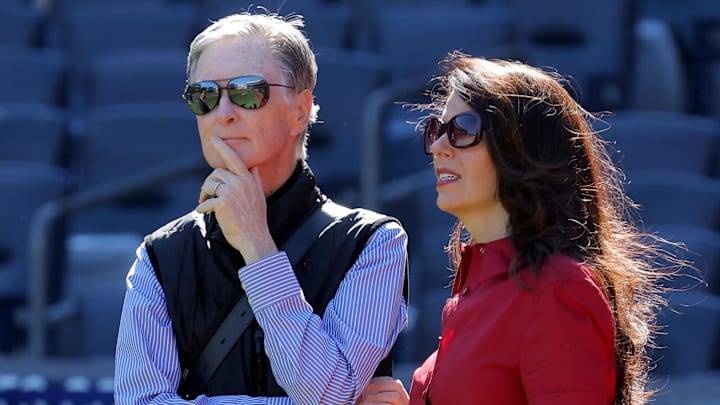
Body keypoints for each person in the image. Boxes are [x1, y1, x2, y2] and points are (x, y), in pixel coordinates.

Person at [114, 10, 409, 404]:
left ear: (301, 110)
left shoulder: (374, 242)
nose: (224, 113)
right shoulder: (159, 255)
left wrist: (258, 246)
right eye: (204, 96)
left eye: (246, 91)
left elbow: (325, 393)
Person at [357, 54, 677, 405]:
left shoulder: (558, 287)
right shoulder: (481, 285)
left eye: (462, 130)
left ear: (522, 148)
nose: (437, 147)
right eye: (436, 129)